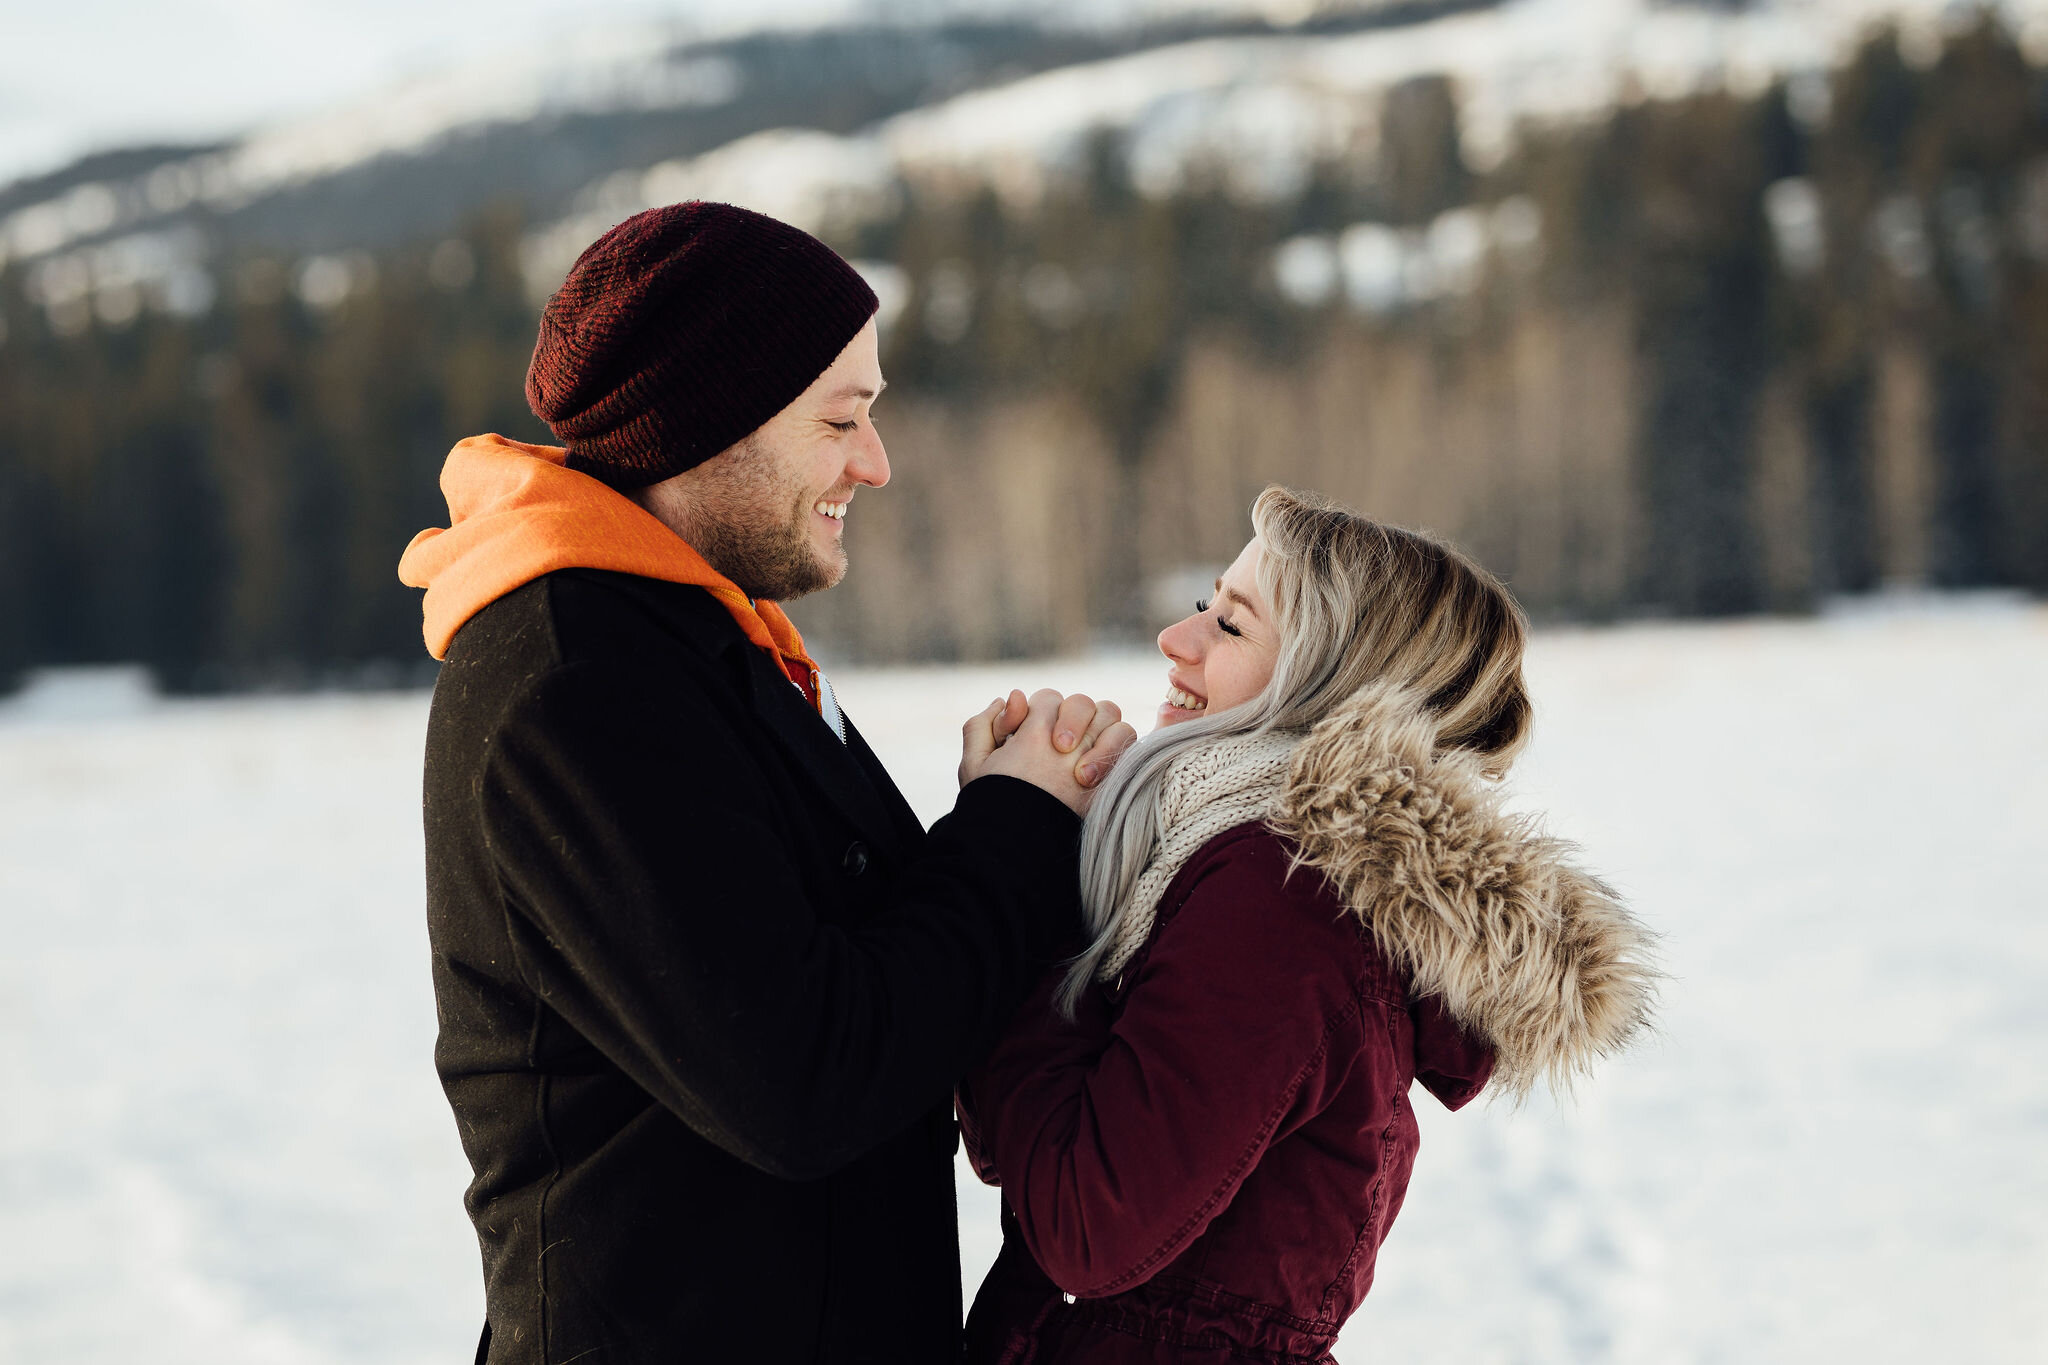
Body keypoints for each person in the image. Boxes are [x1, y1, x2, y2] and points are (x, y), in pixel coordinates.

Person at [398, 202, 1135, 1365]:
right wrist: (1011, 827)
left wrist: (993, 822)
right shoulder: (575, 685)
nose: (874, 464)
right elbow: (805, 1079)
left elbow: (835, 963)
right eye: (840, 420)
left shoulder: (696, 642)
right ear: (706, 423)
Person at [957, 487, 1660, 1365]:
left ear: (1328, 687)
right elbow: (1041, 1148)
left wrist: (1020, 866)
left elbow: (1089, 1219)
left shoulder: (1283, 897)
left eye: (1233, 627)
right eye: (1203, 604)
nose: (1178, 640)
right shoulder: (1221, 863)